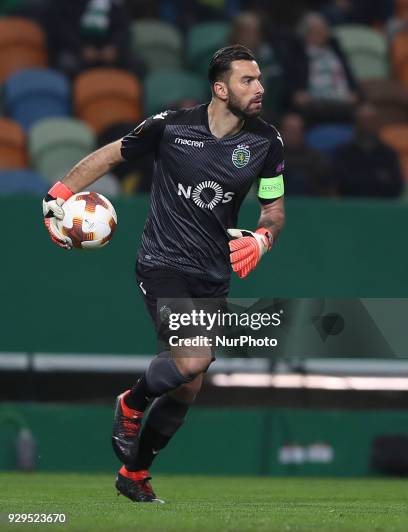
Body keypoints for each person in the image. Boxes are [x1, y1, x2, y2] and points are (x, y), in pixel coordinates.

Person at [42, 45, 285, 503]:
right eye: (247, 81)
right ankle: (132, 402)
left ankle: (133, 474)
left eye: (259, 80)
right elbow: (110, 155)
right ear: (219, 88)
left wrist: (262, 238)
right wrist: (58, 193)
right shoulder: (170, 127)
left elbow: (273, 209)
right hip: (163, 264)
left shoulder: (266, 142)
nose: (260, 88)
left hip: (213, 276)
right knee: (194, 359)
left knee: (189, 386)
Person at [289, 12, 359, 125]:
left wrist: (355, 93)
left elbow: (352, 80)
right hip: (313, 103)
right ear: (305, 34)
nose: (319, 34)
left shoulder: (336, 52)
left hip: (342, 101)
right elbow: (292, 86)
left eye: (321, 30)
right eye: (314, 31)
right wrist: (297, 95)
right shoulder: (298, 56)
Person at [334, 102, 404, 197]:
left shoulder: (389, 154)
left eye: (371, 122)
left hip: (382, 206)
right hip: (349, 206)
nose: (367, 127)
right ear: (356, 125)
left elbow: (395, 186)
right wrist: (378, 178)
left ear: (378, 124)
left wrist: (360, 180)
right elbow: (341, 184)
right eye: (363, 123)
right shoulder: (342, 153)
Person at [280, 112, 334, 196]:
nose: (293, 135)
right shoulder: (272, 157)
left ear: (303, 133)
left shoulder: (317, 158)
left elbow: (327, 187)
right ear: (281, 132)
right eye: (289, 131)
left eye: (296, 131)